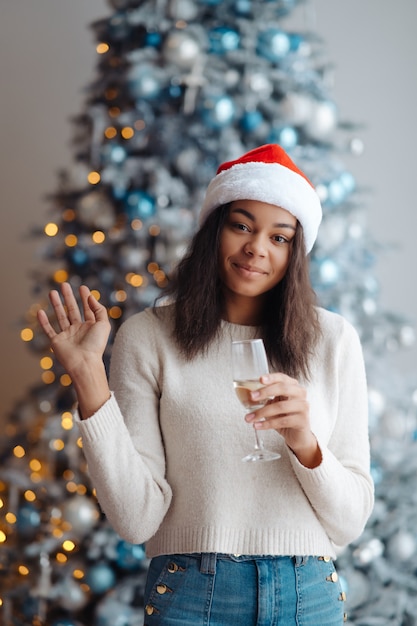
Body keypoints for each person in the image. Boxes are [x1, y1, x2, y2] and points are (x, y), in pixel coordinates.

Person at [38, 144, 374, 626]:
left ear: (295, 252)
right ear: (214, 229)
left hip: (308, 593)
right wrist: (89, 375)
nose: (257, 247)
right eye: (242, 225)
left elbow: (350, 519)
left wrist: (306, 445)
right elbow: (137, 519)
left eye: (279, 238)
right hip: (192, 592)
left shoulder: (333, 341)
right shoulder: (149, 336)